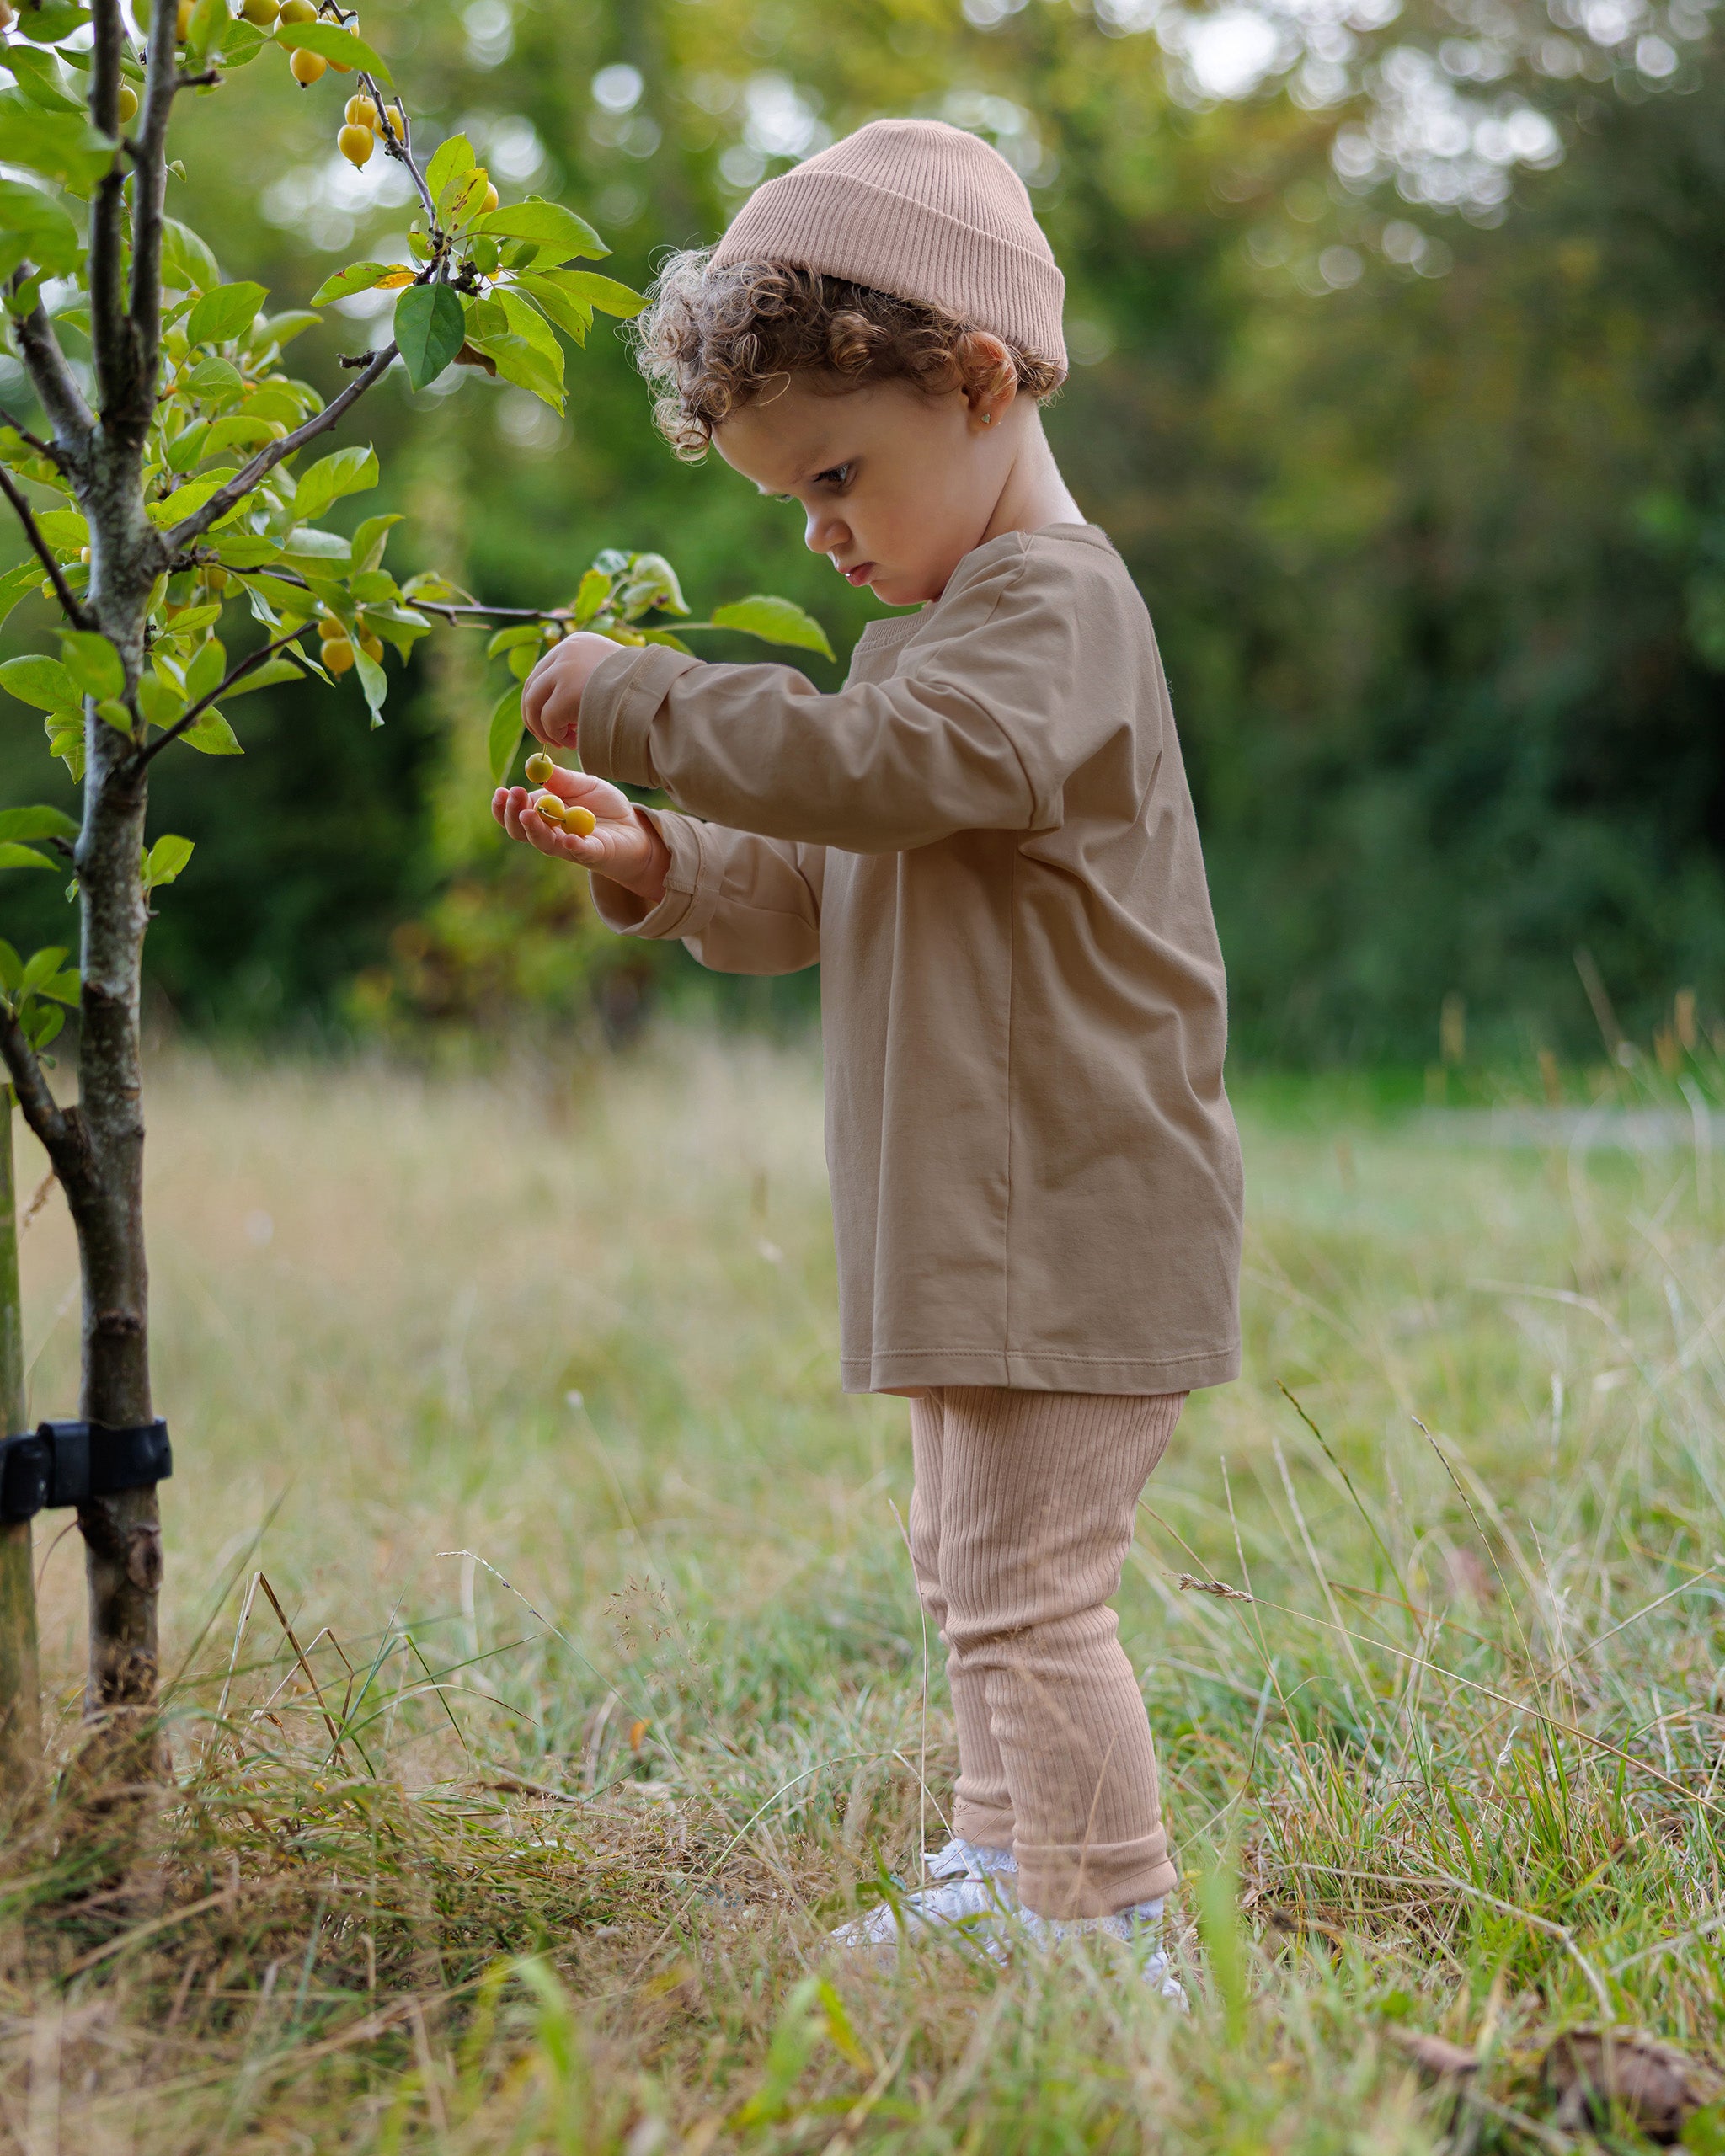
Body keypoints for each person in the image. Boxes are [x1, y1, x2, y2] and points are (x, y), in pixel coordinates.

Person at [492, 119, 1243, 1988]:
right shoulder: (941, 644)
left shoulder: (1053, 613)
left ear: (979, 380)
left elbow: (887, 774)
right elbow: (833, 870)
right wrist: (667, 861)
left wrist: (651, 700)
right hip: (975, 1214)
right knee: (967, 1563)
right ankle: (1008, 1860)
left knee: (1025, 1587)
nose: (820, 533)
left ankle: (1109, 1918)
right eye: (790, 504)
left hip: (1068, 1201)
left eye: (837, 476)